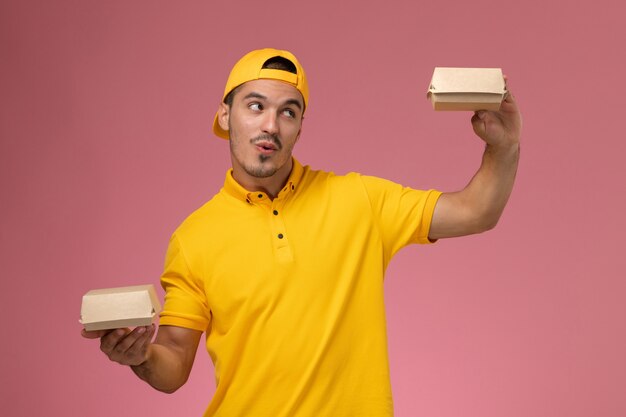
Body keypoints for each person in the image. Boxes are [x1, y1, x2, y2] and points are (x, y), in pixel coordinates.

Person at [82, 48, 521, 416]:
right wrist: (139, 357)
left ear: (299, 126)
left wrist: (504, 145)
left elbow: (476, 211)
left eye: (287, 112)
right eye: (256, 106)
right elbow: (174, 363)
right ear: (224, 114)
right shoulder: (194, 237)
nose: (270, 125)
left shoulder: (359, 200)